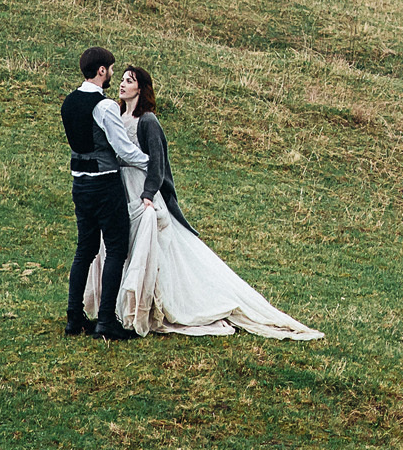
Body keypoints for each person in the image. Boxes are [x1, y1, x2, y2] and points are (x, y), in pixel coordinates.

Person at [97, 63, 323, 341]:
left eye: (129, 80)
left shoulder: (148, 121)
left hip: (142, 188)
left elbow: (157, 162)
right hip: (121, 188)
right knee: (124, 246)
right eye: (121, 79)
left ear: (141, 89)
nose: (122, 84)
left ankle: (152, 305)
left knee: (151, 244)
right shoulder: (117, 114)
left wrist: (148, 194)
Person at [61, 46, 153, 341]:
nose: (113, 73)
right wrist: (151, 163)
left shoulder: (69, 102)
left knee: (84, 250)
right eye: (111, 69)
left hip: (80, 184)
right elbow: (122, 148)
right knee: (116, 249)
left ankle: (74, 317)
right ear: (101, 70)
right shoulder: (104, 106)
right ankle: (105, 321)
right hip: (105, 183)